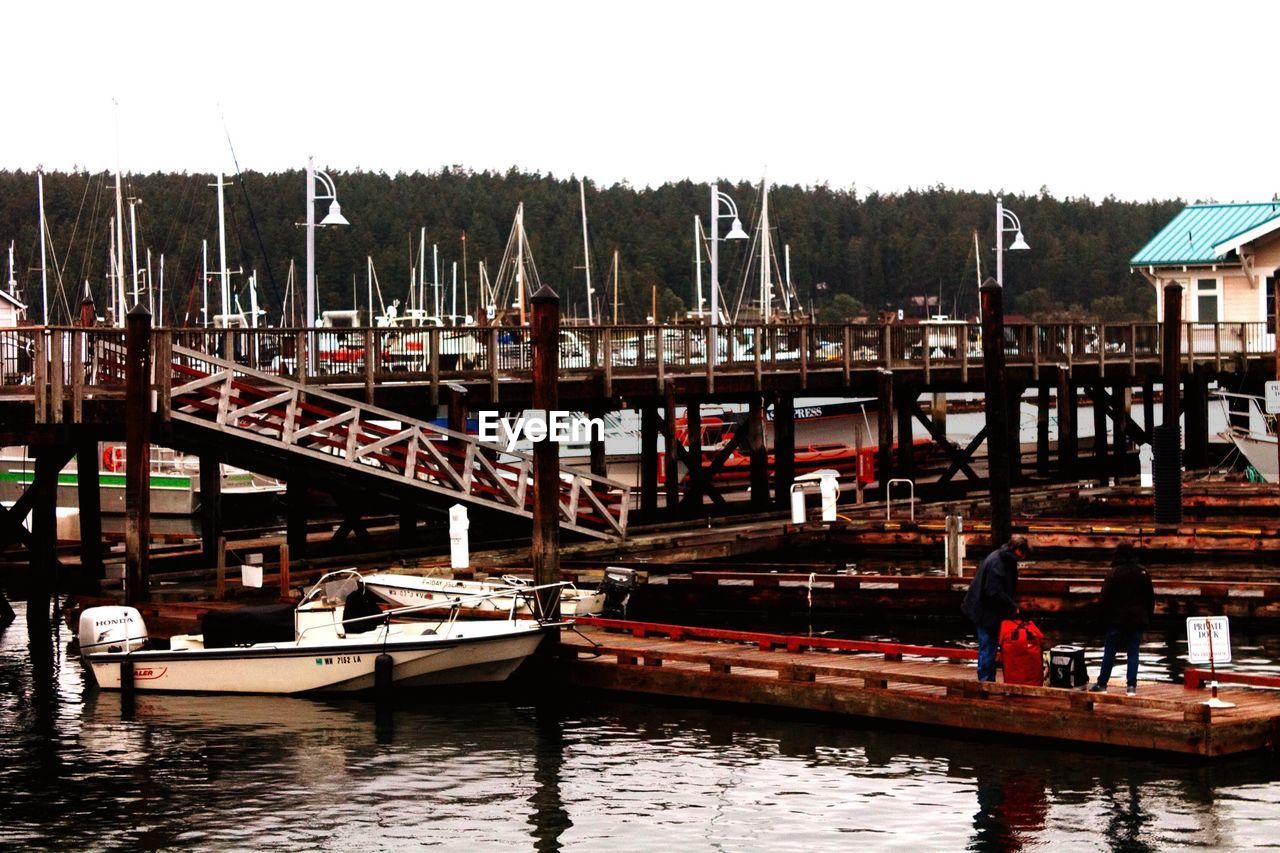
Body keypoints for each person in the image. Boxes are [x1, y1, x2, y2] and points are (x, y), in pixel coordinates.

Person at [961, 535, 1032, 681]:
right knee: (988, 646)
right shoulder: (998, 563)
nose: (1023, 557)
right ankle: (985, 682)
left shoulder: (1005, 558)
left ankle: (987, 680)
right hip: (984, 611)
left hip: (988, 609)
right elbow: (993, 591)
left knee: (988, 646)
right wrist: (1012, 606)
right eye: (1022, 553)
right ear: (1017, 549)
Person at [1089, 542, 1155, 695]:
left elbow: (1104, 598)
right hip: (1137, 620)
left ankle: (1102, 684)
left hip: (1115, 620)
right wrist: (1148, 618)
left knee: (1109, 652)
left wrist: (1100, 619)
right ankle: (1131, 686)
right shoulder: (1143, 573)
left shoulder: (1113, 573)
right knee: (1133, 653)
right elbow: (1150, 598)